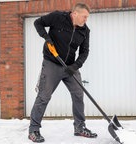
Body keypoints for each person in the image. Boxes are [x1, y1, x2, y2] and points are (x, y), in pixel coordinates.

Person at [28, 3, 97, 143]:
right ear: (75, 14)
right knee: (44, 96)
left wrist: (75, 66)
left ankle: (79, 127)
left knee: (78, 94)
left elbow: (85, 52)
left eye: (87, 17)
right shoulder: (58, 17)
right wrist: (46, 38)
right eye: (84, 17)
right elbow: (38, 23)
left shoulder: (85, 31)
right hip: (51, 63)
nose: (86, 20)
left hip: (70, 67)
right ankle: (33, 130)